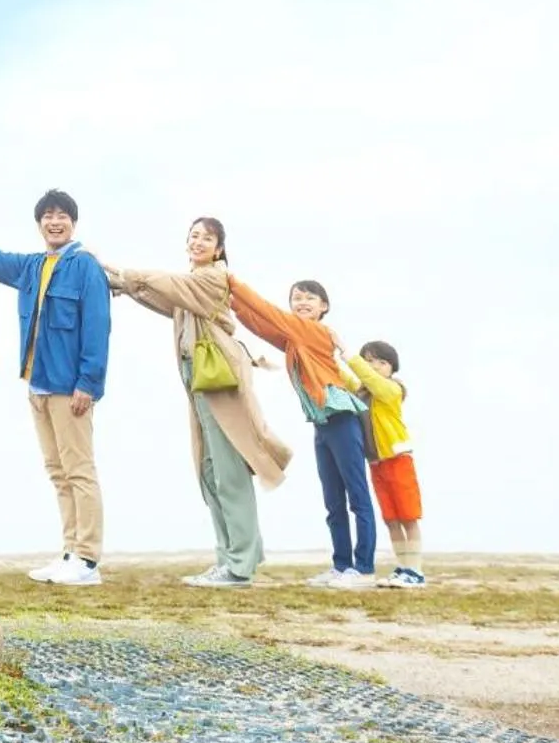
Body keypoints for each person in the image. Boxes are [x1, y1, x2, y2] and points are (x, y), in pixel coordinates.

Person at [0, 189, 112, 587]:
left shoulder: (85, 267)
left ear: (73, 222)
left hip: (70, 389)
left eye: (62, 215)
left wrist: (89, 383)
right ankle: (69, 552)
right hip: (38, 386)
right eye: (47, 216)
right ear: (39, 224)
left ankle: (88, 559)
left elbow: (98, 327)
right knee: (57, 472)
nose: (54, 221)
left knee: (79, 470)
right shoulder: (32, 266)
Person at [103, 218, 293, 588]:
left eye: (207, 237)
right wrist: (124, 286)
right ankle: (230, 557)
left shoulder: (211, 277)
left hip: (219, 378)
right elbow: (164, 298)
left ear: (219, 248)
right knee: (210, 472)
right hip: (200, 382)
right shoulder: (190, 285)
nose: (199, 241)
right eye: (194, 235)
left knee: (229, 472)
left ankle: (240, 564)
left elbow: (169, 284)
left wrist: (120, 270)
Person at [226, 274, 379, 589]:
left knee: (357, 494)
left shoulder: (314, 330)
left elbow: (267, 312)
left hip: (341, 417)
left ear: (324, 307)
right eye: (297, 297)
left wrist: (230, 282)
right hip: (323, 422)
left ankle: (363, 569)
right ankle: (341, 566)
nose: (302, 302)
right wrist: (232, 306)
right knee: (332, 500)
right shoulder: (294, 336)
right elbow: (263, 325)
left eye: (310, 297)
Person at [343, 339, 425, 588]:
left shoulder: (392, 389)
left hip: (398, 459)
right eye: (369, 361)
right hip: (377, 463)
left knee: (408, 517)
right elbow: (345, 378)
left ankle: (416, 571)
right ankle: (403, 568)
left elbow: (375, 383)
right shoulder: (362, 391)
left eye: (381, 362)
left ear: (392, 367)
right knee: (391, 519)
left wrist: (352, 360)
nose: (375, 366)